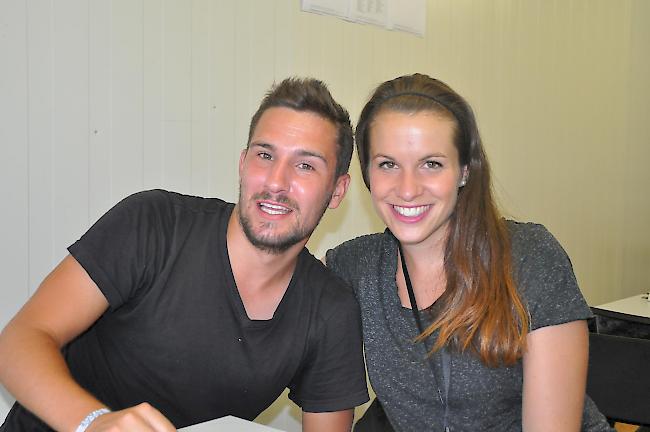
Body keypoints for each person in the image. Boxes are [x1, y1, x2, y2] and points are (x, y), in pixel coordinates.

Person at [0, 77, 369, 432]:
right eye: (264, 155)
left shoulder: (329, 311)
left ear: (337, 191)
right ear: (243, 164)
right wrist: (92, 423)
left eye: (305, 165)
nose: (275, 181)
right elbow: (20, 340)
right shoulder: (154, 224)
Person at [325, 73, 614, 431]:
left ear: (464, 170)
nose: (408, 188)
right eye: (388, 164)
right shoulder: (355, 267)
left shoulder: (529, 259)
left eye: (431, 164)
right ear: (367, 173)